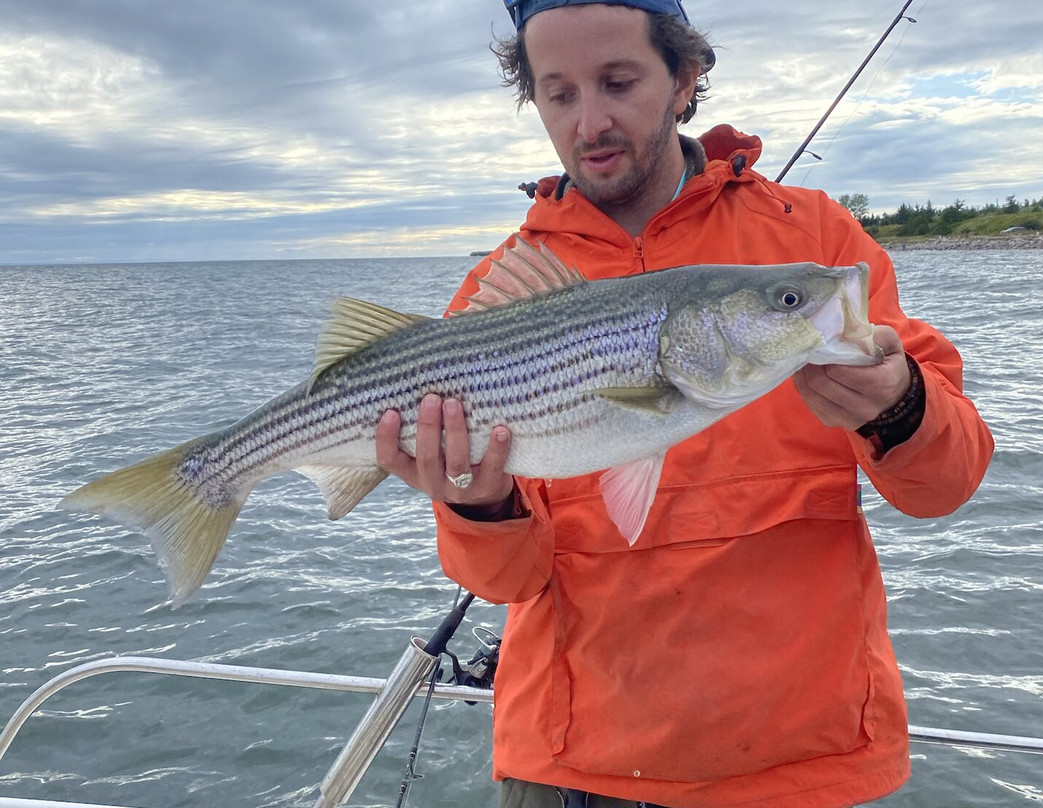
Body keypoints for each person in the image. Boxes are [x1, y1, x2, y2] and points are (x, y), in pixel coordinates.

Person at [375, 2, 995, 806]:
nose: (589, 121)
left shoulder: (812, 244)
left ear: (684, 79)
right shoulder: (500, 293)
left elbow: (944, 487)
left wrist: (901, 404)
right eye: (558, 94)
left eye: (619, 81)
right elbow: (505, 583)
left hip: (798, 762)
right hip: (568, 765)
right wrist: (478, 505)